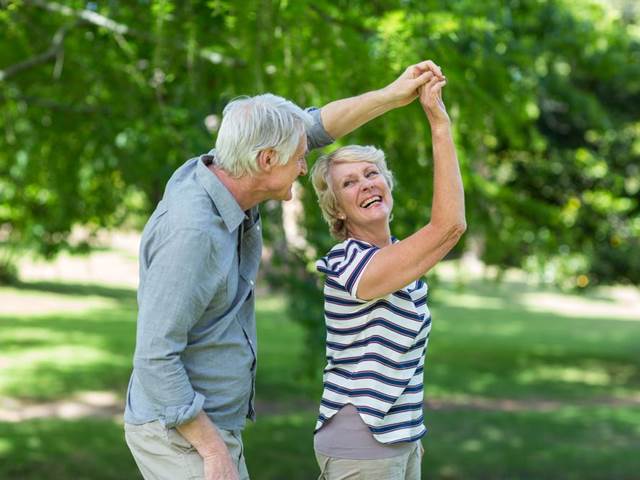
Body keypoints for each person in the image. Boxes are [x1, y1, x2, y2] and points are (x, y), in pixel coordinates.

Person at [123, 60, 443, 480]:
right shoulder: (194, 232)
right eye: (298, 157)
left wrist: (391, 94)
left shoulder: (229, 171)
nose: (304, 165)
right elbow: (154, 357)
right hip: (178, 429)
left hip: (209, 423)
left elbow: (316, 126)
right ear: (267, 159)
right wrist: (213, 451)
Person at [309, 66, 465, 479]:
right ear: (337, 209)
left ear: (387, 184)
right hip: (361, 446)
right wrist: (438, 122)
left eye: (371, 173)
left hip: (401, 441)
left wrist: (410, 440)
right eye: (348, 183)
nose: (365, 184)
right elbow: (449, 226)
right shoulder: (346, 262)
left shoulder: (400, 259)